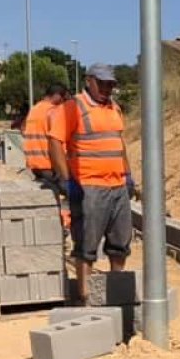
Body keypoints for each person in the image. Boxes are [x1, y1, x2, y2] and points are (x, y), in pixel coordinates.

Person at [47, 63, 136, 305]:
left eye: (111, 84)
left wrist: (127, 175)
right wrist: (67, 181)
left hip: (117, 187)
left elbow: (118, 143)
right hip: (89, 187)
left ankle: (116, 291)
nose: (107, 88)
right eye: (103, 83)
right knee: (86, 243)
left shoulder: (113, 108)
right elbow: (55, 143)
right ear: (89, 81)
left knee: (120, 242)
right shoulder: (73, 108)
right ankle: (85, 295)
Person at [23, 82, 70, 185]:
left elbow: (24, 130)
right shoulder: (53, 111)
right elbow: (57, 142)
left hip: (34, 166)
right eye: (64, 99)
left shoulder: (34, 110)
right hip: (50, 167)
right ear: (57, 96)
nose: (65, 102)